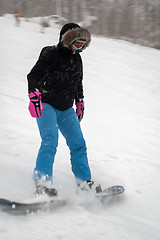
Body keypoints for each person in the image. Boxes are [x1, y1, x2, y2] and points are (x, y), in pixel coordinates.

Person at [27, 23, 102, 197]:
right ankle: (42, 183)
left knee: (79, 144)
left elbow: (78, 82)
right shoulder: (50, 52)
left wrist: (80, 102)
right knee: (50, 140)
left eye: (83, 45)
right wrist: (34, 95)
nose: (79, 49)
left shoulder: (77, 59)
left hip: (66, 107)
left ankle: (84, 183)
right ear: (66, 40)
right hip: (46, 103)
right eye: (76, 44)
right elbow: (34, 75)